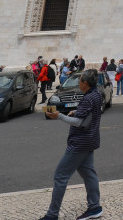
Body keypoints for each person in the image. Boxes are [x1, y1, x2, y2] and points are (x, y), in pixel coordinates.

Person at [40, 68, 104, 220]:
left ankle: (52, 215)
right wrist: (76, 111)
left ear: (85, 83)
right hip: (90, 140)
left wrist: (59, 116)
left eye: (80, 80)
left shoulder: (88, 98)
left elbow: (80, 123)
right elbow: (88, 115)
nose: (79, 82)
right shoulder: (96, 94)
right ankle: (95, 207)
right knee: (89, 174)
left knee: (60, 176)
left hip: (80, 143)